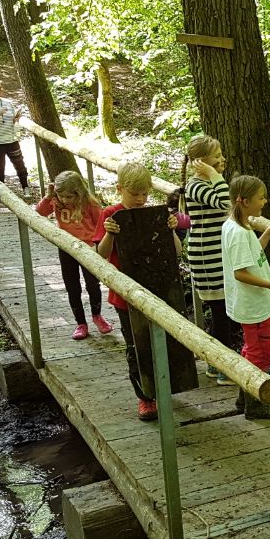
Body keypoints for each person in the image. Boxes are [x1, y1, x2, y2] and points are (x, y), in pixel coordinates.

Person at [94, 163, 182, 421]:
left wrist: (171, 230)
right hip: (125, 296)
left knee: (163, 342)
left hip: (157, 291)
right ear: (120, 189)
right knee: (136, 346)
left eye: (144, 193)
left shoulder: (155, 214)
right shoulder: (111, 214)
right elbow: (100, 254)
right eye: (134, 194)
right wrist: (110, 235)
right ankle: (145, 397)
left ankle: (164, 387)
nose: (141, 199)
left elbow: (175, 252)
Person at [221, 174, 270, 418]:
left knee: (252, 349)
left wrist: (269, 232)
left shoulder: (237, 226)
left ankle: (244, 398)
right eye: (260, 198)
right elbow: (240, 273)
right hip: (253, 304)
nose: (265, 202)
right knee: (260, 353)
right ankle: (256, 405)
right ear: (244, 201)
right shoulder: (239, 232)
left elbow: (250, 255)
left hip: (252, 302)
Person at [181, 134, 238, 383]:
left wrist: (215, 177)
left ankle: (219, 363)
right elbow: (226, 203)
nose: (222, 159)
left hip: (218, 254)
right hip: (207, 256)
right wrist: (215, 176)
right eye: (216, 156)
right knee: (220, 311)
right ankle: (221, 366)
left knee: (224, 310)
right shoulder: (196, 185)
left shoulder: (209, 183)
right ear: (200, 162)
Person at [36, 171, 112, 341]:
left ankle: (97, 315)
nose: (65, 200)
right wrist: (49, 197)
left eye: (69, 197)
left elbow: (101, 225)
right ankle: (80, 323)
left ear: (79, 193)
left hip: (88, 248)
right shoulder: (55, 201)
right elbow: (40, 212)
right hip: (66, 247)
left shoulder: (89, 203)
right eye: (61, 196)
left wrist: (99, 247)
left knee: (92, 284)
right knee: (72, 286)